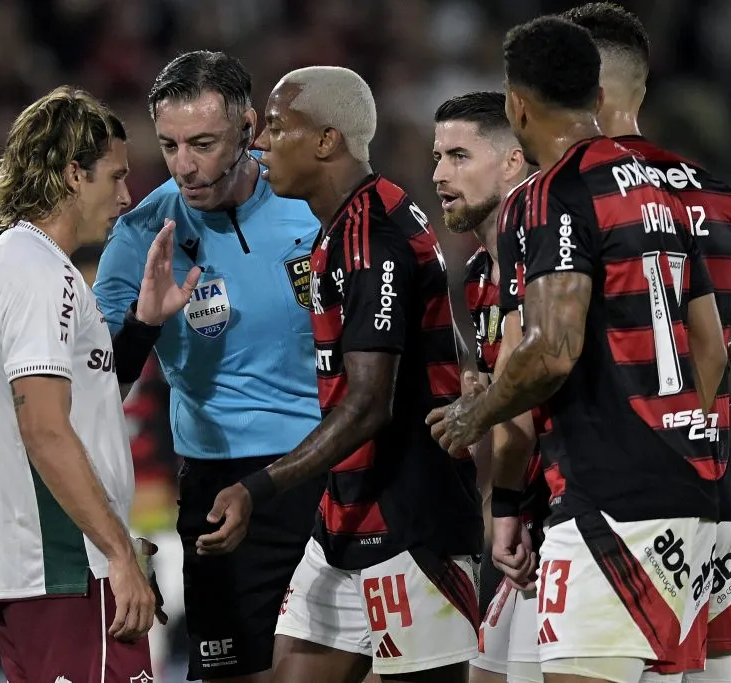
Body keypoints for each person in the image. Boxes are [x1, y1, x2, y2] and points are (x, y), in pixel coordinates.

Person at [427, 17, 729, 683]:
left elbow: (552, 349)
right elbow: (710, 347)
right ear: (597, 95)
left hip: (604, 502)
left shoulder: (549, 193)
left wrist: (473, 416)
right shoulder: (663, 188)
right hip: (689, 496)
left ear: (517, 105)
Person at [198, 66, 483, 683]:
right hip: (346, 516)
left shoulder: (372, 238)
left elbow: (368, 404)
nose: (260, 143)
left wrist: (257, 488)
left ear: (327, 141)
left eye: (276, 127)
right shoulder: (354, 223)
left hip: (409, 524)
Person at [562, 4, 731, 682]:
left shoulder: (578, 195)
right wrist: (693, 407)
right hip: (713, 497)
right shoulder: (718, 195)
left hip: (616, 495)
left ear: (591, 93)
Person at [93, 51, 325, 683]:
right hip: (220, 488)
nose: (184, 164)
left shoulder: (312, 202)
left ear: (248, 128)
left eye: (202, 142)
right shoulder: (142, 234)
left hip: (331, 467)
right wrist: (143, 321)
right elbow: (99, 383)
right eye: (169, 145)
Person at [0, 85, 173, 683]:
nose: (126, 198)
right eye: (116, 176)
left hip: (24, 563)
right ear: (74, 173)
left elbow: (82, 401)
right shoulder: (40, 275)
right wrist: (117, 552)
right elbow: (45, 428)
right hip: (67, 566)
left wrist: (144, 325)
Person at [431, 91, 545, 683]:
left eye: (457, 156)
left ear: (512, 162)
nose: (438, 175)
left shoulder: (551, 261)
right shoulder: (478, 277)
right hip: (522, 520)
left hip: (573, 513)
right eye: (437, 157)